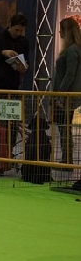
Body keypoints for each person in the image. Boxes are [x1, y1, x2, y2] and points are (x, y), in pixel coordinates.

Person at [52, 17, 81, 168]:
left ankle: (67, 159)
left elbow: (70, 74)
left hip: (66, 96)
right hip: (66, 95)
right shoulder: (74, 49)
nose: (59, 32)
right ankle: (66, 158)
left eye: (61, 29)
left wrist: (60, 95)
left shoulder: (71, 51)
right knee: (64, 127)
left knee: (64, 127)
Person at [0, 13, 30, 91]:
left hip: (14, 85)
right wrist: (2, 53)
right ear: (10, 25)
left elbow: (26, 60)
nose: (18, 33)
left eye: (21, 31)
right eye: (16, 30)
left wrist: (24, 68)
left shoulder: (24, 42)